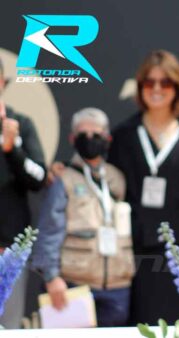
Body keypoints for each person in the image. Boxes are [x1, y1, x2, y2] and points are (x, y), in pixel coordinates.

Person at [107, 50, 179, 324]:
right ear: (140, 88)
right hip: (135, 249)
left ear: (177, 88)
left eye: (165, 82)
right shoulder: (124, 135)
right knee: (141, 324)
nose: (156, 89)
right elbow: (106, 188)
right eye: (149, 82)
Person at [32, 107, 134, 327]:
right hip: (73, 284)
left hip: (117, 286)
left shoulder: (117, 178)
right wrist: (51, 276)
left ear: (107, 139)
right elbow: (49, 230)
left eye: (96, 135)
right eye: (82, 134)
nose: (89, 139)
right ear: (72, 138)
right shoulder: (63, 178)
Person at [0, 57, 47, 328]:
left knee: (8, 327)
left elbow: (38, 177)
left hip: (9, 250)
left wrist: (13, 149)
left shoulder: (20, 125)